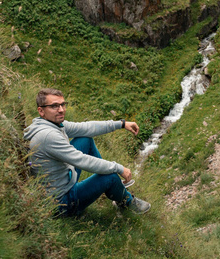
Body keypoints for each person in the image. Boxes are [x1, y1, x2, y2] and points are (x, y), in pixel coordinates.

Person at [23, 88, 151, 216]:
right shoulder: (48, 136)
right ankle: (126, 201)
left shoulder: (51, 124)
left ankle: (112, 187)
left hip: (64, 182)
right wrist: (118, 168)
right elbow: (82, 161)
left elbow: (87, 128)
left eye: (63, 104)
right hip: (60, 202)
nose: (61, 109)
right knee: (110, 176)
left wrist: (121, 124)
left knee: (85, 139)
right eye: (54, 106)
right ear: (41, 111)